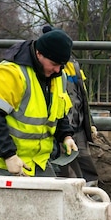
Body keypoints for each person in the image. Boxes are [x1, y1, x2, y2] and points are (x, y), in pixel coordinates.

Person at [0, 28, 77, 177]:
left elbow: (57, 112)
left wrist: (66, 136)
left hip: (35, 162)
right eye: (54, 63)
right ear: (39, 53)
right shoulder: (12, 73)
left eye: (61, 65)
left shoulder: (58, 75)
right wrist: (9, 155)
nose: (57, 70)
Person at [42, 25, 99, 186]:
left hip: (77, 125)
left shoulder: (72, 65)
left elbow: (82, 97)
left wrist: (90, 124)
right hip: (60, 126)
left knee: (85, 163)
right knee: (65, 167)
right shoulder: (47, 67)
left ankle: (92, 195)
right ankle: (74, 199)